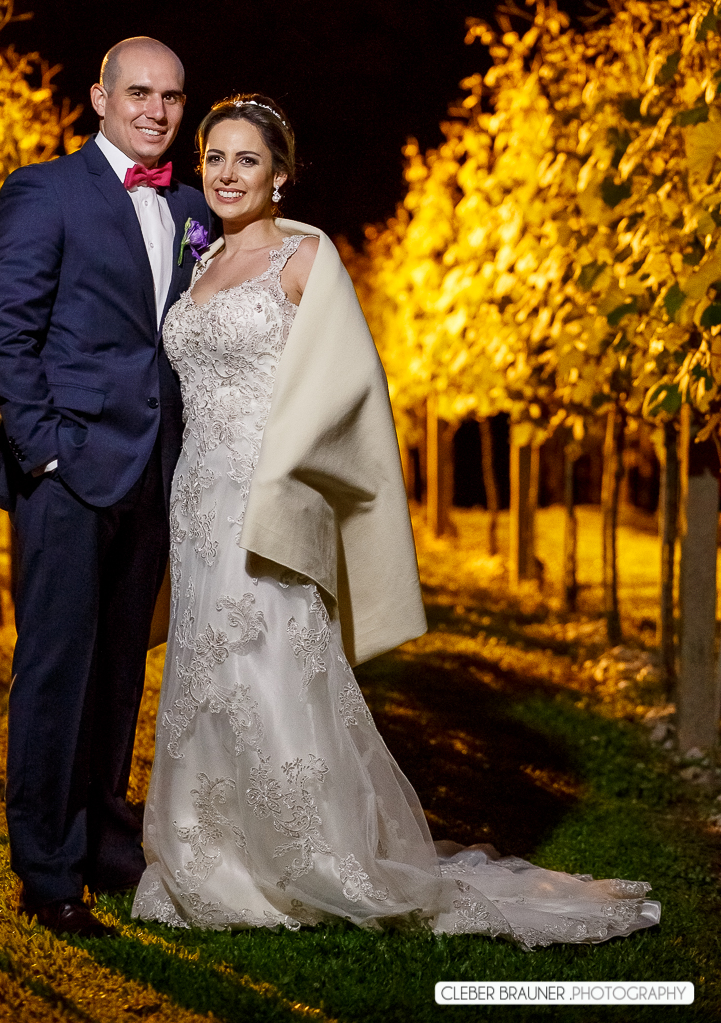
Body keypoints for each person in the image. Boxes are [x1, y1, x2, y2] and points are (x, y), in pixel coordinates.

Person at [132, 93, 661, 947]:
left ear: (280, 177)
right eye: (215, 159)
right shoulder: (197, 270)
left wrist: (283, 467)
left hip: (269, 493)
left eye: (247, 161)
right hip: (195, 498)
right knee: (205, 664)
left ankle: (309, 852)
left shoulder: (303, 259)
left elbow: (348, 383)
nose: (227, 175)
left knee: (273, 659)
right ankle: (208, 849)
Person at [0, 37, 214, 937]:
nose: (156, 110)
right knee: (54, 673)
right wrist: (45, 456)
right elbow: (5, 332)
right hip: (69, 475)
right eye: (139, 93)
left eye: (172, 96)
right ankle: (45, 871)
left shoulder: (193, 207)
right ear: (99, 98)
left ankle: (104, 841)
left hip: (156, 474)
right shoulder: (47, 190)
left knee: (119, 673)